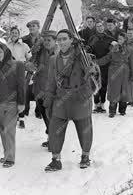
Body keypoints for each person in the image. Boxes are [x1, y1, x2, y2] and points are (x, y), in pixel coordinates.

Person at [43, 29, 96, 171]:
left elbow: (93, 77)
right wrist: (48, 97)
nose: (61, 42)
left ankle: (85, 156)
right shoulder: (54, 60)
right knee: (55, 130)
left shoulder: (83, 57)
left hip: (80, 98)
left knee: (84, 129)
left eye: (64, 39)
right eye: (59, 39)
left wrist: (91, 71)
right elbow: (51, 81)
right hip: (61, 99)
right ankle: (56, 160)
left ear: (72, 40)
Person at [0, 44, 26, 168]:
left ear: (6, 52)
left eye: (0, 52)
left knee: (9, 130)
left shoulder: (17, 65)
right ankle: (7, 154)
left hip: (11, 102)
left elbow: (21, 85)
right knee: (2, 130)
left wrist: (22, 102)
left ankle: (10, 158)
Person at [32, 30, 58, 148]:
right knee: (44, 113)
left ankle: (54, 140)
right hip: (39, 88)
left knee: (52, 115)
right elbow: (33, 62)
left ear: (55, 41)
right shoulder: (40, 51)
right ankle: (50, 137)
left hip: (52, 90)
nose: (46, 42)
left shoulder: (59, 53)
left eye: (49, 40)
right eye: (45, 40)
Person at [101, 33, 133, 117]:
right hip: (113, 72)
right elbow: (106, 59)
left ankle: (122, 110)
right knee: (114, 91)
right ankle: (112, 111)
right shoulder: (113, 48)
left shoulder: (130, 49)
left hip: (125, 72)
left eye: (121, 39)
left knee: (124, 91)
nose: (119, 40)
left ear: (125, 39)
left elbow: (132, 63)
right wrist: (95, 62)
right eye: (118, 39)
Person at [6, 26, 32, 129]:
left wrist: (26, 66)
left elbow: (30, 58)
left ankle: (21, 117)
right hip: (9, 72)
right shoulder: (6, 45)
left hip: (21, 72)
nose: (14, 34)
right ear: (10, 34)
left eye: (16, 32)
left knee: (21, 93)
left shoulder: (24, 46)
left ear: (19, 34)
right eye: (12, 32)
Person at [88, 20, 114, 113]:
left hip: (105, 65)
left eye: (101, 26)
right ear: (96, 28)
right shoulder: (92, 38)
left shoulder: (109, 38)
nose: (100, 27)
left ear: (104, 27)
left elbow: (111, 52)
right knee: (95, 84)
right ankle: (96, 104)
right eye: (98, 26)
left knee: (104, 84)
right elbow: (89, 50)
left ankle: (102, 104)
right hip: (95, 65)